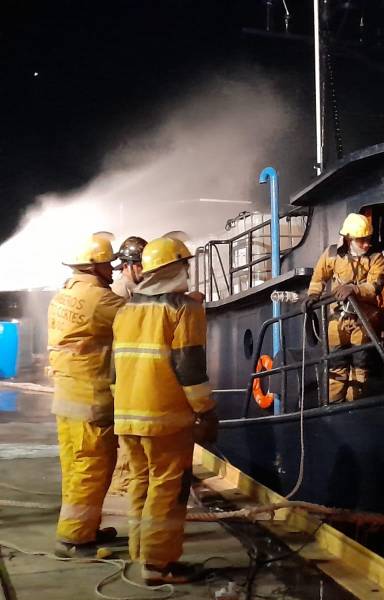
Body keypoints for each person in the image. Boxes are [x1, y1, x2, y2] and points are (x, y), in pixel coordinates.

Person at [111, 237, 217, 585]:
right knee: (167, 490)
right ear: (175, 270)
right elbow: (190, 367)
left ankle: (140, 552)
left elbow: (114, 371)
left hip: (126, 417)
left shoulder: (125, 311)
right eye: (184, 265)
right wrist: (206, 411)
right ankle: (158, 565)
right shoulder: (183, 310)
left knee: (141, 483)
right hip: (164, 419)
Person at [47, 233, 127, 557]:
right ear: (94, 266)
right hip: (90, 401)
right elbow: (143, 321)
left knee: (75, 467)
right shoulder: (102, 300)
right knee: (91, 468)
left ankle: (86, 528)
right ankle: (74, 539)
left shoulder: (62, 295)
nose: (114, 269)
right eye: (109, 264)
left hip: (67, 399)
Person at [302, 213, 384, 402]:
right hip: (337, 320)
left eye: (368, 239)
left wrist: (354, 289)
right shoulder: (332, 254)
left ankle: (353, 405)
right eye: (361, 240)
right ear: (349, 239)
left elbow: (375, 286)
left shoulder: (375, 257)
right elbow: (318, 277)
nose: (366, 244)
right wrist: (313, 295)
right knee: (336, 367)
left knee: (360, 368)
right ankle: (334, 405)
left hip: (362, 320)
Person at [111, 236, 147, 300]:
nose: (146, 269)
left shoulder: (138, 285)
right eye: (140, 265)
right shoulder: (120, 291)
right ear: (125, 266)